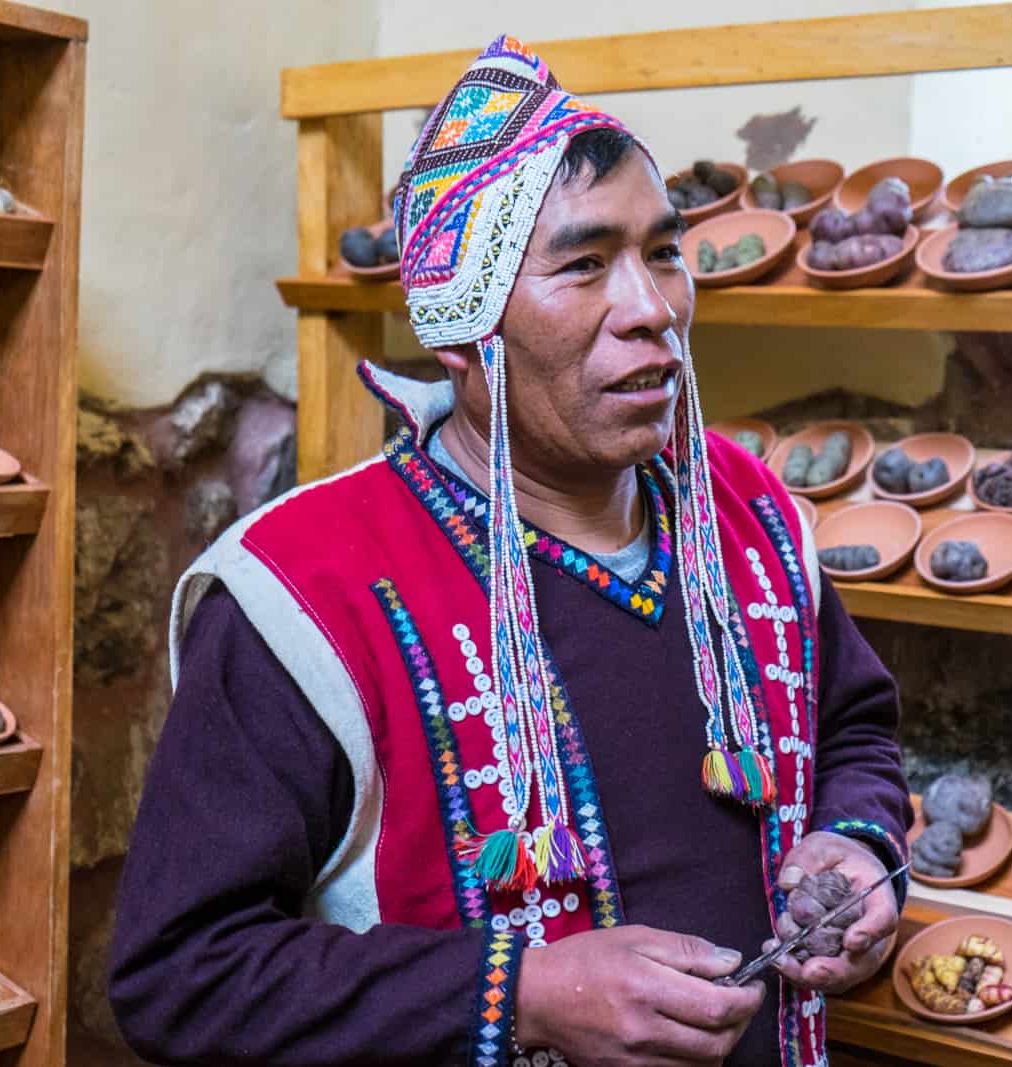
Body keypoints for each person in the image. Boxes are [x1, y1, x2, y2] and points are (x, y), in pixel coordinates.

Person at [109, 35, 912, 1067]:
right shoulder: (304, 594)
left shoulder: (744, 508)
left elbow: (851, 721)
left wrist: (857, 839)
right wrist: (521, 991)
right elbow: (182, 972)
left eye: (662, 251)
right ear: (459, 328)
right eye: (583, 265)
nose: (653, 310)